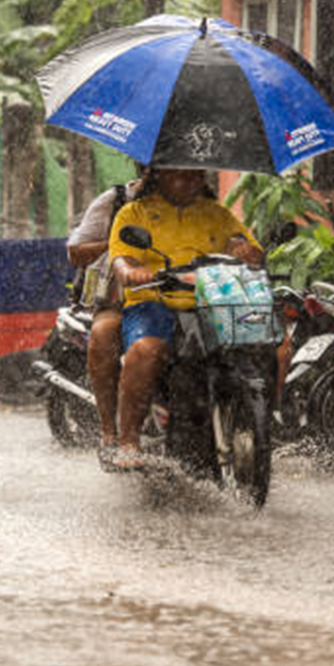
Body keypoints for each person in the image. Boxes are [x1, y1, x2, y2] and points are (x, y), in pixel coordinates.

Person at [104, 167, 263, 470]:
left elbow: (243, 245)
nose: (194, 180)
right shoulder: (132, 213)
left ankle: (260, 422)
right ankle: (128, 441)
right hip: (153, 304)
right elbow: (121, 261)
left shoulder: (217, 213)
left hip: (211, 304)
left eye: (198, 174)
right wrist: (131, 272)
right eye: (184, 174)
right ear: (160, 174)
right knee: (145, 351)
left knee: (269, 345)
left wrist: (245, 251)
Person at [65, 168, 146, 456]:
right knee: (103, 335)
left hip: (179, 299)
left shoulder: (200, 204)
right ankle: (110, 432)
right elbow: (75, 253)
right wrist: (114, 245)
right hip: (118, 300)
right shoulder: (116, 201)